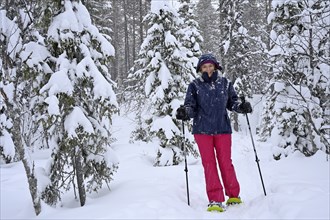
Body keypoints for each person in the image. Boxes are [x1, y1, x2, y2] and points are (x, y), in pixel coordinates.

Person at [176, 53, 252, 212]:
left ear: (216, 67)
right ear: (200, 69)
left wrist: (241, 107)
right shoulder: (195, 85)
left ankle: (233, 195)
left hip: (222, 129)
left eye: (210, 66)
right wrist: (185, 112)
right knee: (209, 164)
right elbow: (190, 106)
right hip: (202, 131)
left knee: (226, 162)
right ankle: (215, 199)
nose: (208, 69)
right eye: (205, 66)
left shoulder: (225, 83)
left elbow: (233, 102)